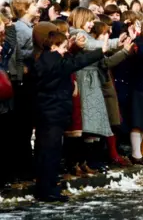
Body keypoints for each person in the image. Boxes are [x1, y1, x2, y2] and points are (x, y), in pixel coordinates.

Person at [33, 26, 110, 202]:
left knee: (45, 152)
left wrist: (72, 45)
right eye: (63, 47)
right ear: (53, 47)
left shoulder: (44, 59)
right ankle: (47, 191)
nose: (65, 51)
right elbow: (76, 62)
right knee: (50, 152)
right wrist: (101, 51)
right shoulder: (54, 61)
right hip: (54, 113)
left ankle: (46, 187)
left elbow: (69, 60)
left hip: (47, 113)